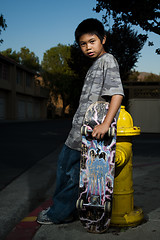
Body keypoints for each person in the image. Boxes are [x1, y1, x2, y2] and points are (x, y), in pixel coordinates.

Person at [37, 18, 124, 224]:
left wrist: (105, 125)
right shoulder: (95, 65)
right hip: (77, 133)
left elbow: (117, 94)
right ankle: (68, 210)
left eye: (92, 41)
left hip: (90, 136)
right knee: (67, 171)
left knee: (72, 176)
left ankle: (59, 214)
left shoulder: (108, 60)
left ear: (103, 38)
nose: (88, 47)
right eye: (83, 44)